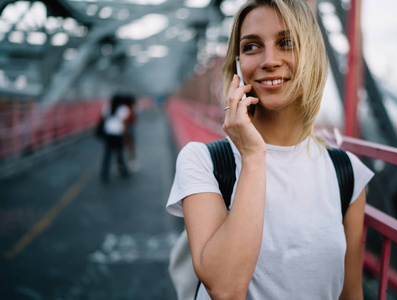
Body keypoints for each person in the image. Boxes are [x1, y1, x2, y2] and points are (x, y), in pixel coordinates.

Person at [166, 0, 374, 299]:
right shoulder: (202, 161)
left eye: (286, 42)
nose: (269, 60)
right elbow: (225, 289)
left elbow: (351, 293)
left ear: (312, 55)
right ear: (237, 64)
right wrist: (252, 157)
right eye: (251, 47)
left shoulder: (347, 172)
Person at [100, 94, 131, 183]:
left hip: (109, 133)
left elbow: (103, 117)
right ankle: (123, 170)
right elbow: (125, 122)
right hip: (118, 133)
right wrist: (126, 133)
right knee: (119, 152)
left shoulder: (107, 107)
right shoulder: (123, 109)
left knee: (107, 154)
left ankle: (105, 173)